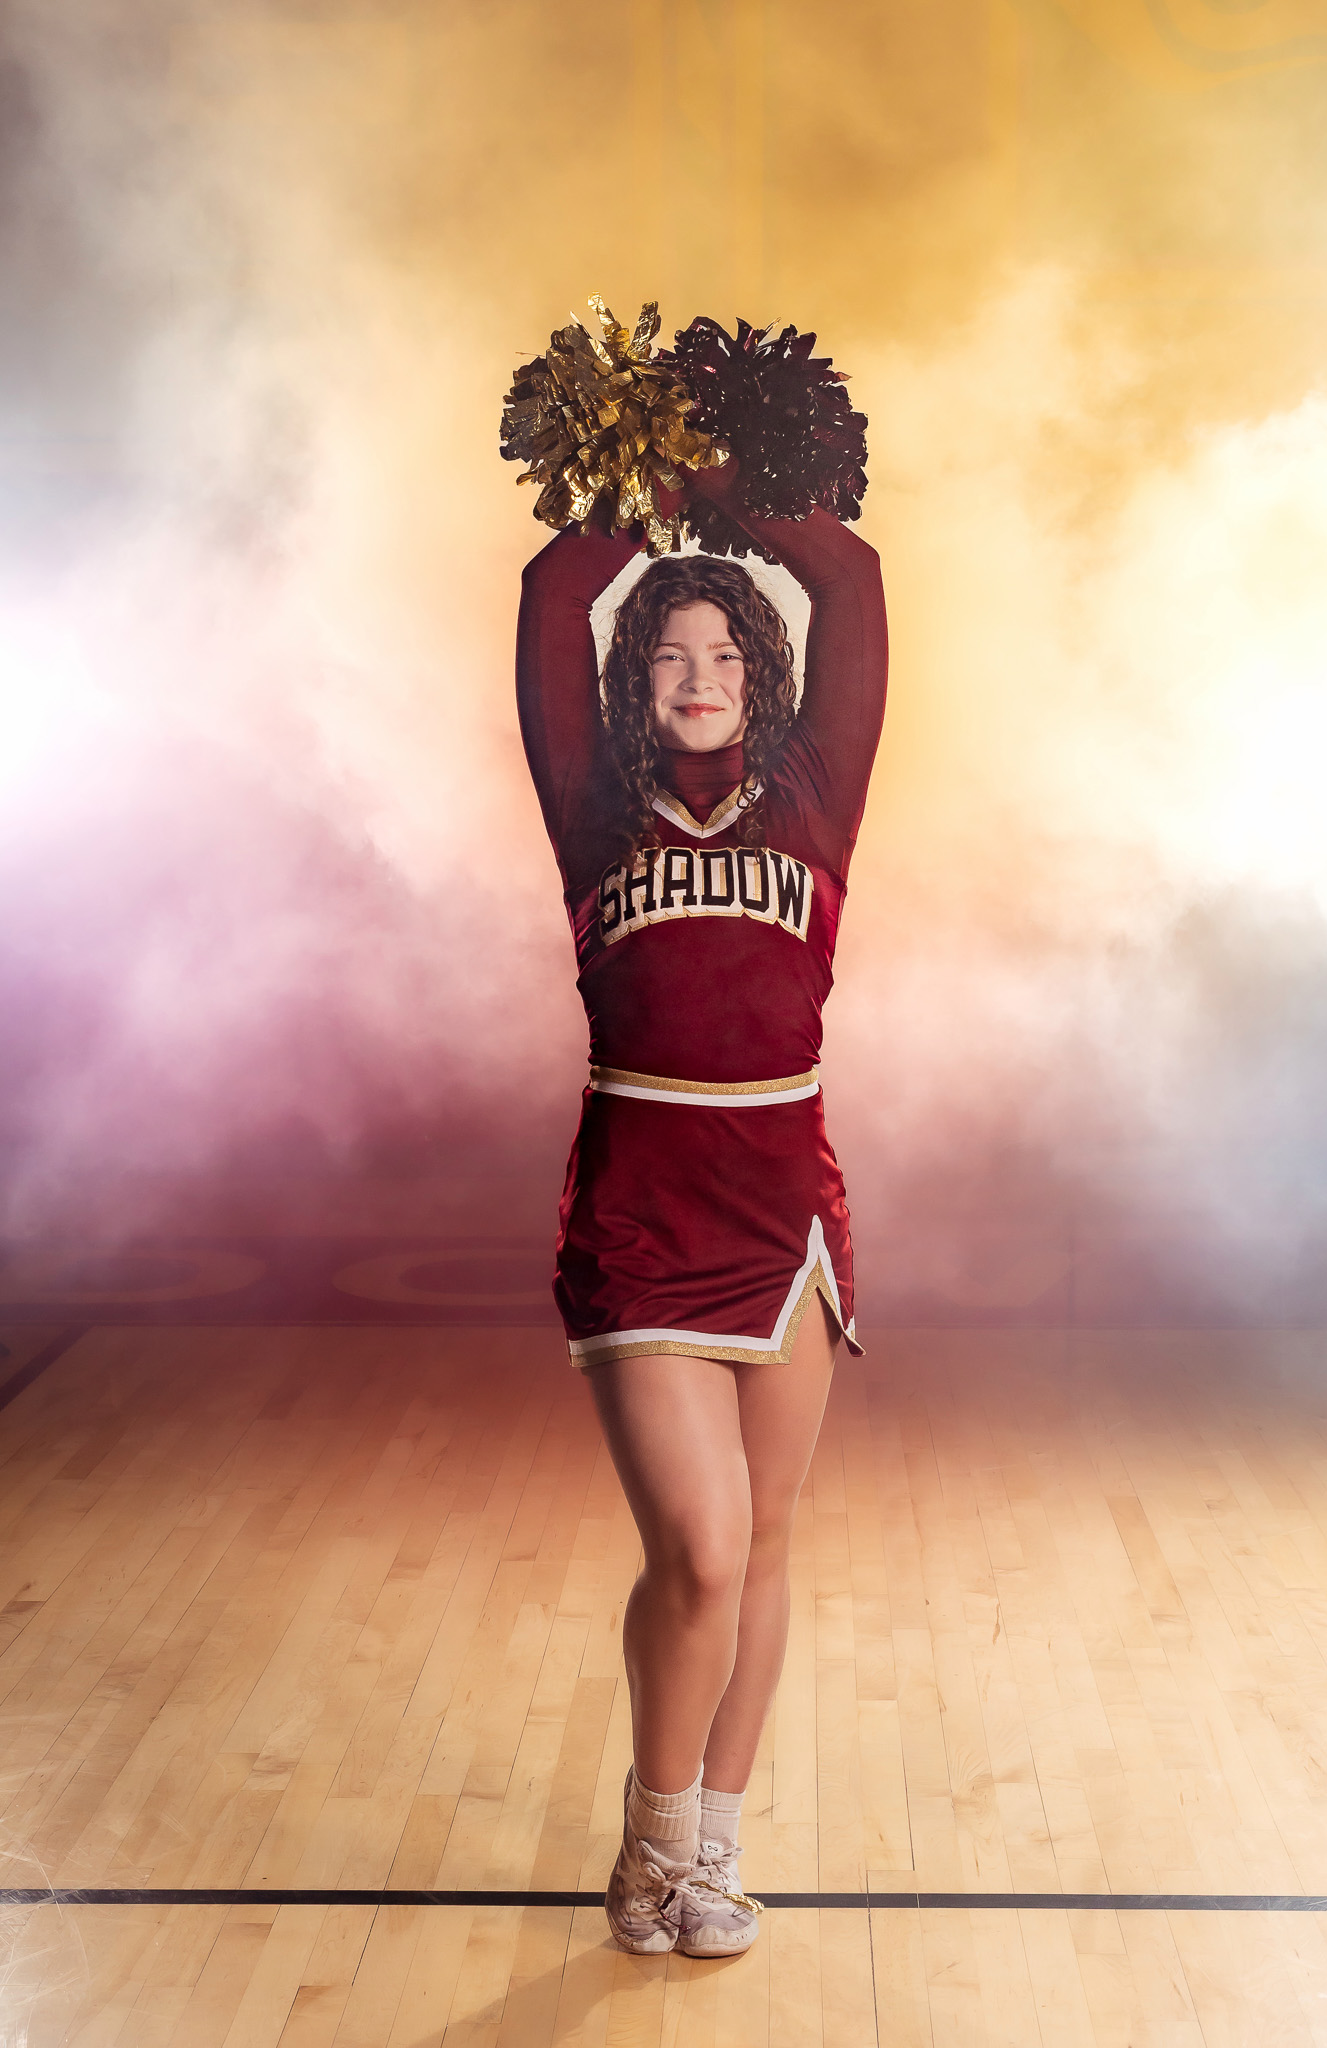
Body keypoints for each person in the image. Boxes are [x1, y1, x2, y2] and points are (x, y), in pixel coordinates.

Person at [515, 458, 888, 1957]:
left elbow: (851, 584)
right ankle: (651, 1840)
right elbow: (552, 595)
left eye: (727, 651)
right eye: (668, 651)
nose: (699, 675)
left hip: (786, 1206)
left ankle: (712, 1851)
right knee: (704, 1549)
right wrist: (638, 473)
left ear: (765, 673)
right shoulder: (594, 819)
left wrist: (733, 483)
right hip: (644, 1214)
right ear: (633, 679)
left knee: (770, 1539)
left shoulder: (813, 799)